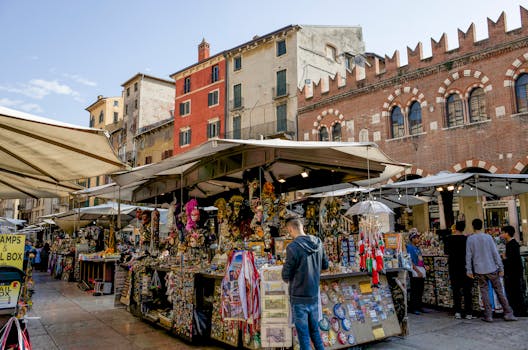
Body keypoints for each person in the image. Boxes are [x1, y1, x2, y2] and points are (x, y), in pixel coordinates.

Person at [282, 217, 328, 350]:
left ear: (290, 229)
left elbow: (286, 275)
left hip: (299, 297)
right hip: (313, 296)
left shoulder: (292, 247)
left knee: (303, 337)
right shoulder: (318, 242)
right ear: (302, 227)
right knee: (315, 333)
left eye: (288, 231)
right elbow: (325, 265)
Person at [466, 218, 517, 322]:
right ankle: (508, 313)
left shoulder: (470, 239)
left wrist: (469, 270)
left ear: (473, 226)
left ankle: (488, 315)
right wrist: (501, 267)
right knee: (499, 291)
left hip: (479, 270)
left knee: (484, 292)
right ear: (482, 226)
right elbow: (495, 253)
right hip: (491, 268)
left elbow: (468, 256)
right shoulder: (488, 237)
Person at [444, 221, 473, 319]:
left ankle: (458, 311)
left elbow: (446, 252)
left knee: (456, 289)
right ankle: (469, 312)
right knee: (467, 290)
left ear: (455, 228)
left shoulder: (448, 239)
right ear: (463, 228)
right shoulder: (467, 239)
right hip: (465, 266)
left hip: (453, 266)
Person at [500, 225, 527, 317]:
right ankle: (518, 310)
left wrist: (504, 258)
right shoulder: (511, 244)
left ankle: (519, 311)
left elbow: (512, 260)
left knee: (515, 292)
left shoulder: (512, 244)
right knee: (515, 292)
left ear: (507, 233)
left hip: (513, 273)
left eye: (503, 233)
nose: (501, 234)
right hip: (514, 273)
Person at [406, 230, 426, 315]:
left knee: (420, 289)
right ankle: (414, 308)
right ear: (412, 239)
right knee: (415, 290)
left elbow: (420, 259)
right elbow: (410, 260)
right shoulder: (409, 248)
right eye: (416, 237)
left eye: (418, 237)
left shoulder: (417, 248)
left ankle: (419, 306)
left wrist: (424, 266)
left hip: (420, 268)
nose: (418, 239)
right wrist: (417, 271)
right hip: (415, 270)